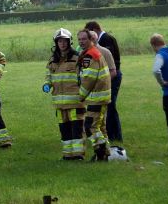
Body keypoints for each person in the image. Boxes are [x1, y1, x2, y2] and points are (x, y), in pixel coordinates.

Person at [43, 28, 85, 160]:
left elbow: (84, 77)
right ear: (56, 42)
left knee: (76, 129)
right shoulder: (52, 60)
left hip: (75, 101)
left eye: (65, 41)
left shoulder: (77, 58)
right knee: (64, 129)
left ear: (69, 42)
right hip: (59, 103)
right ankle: (67, 155)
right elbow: (49, 75)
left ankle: (78, 154)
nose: (62, 44)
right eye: (59, 41)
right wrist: (46, 84)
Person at [85, 21, 123, 142]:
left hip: (112, 78)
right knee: (102, 109)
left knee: (110, 106)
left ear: (95, 30)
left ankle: (115, 135)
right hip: (102, 81)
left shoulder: (107, 39)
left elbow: (113, 67)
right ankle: (104, 134)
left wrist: (103, 82)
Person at [77, 29, 111, 161]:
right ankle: (104, 154)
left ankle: (101, 152)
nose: (81, 42)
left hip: (95, 98)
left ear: (91, 39)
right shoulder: (93, 53)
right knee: (100, 127)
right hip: (102, 97)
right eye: (79, 39)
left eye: (84, 39)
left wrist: (80, 96)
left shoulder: (89, 56)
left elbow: (88, 79)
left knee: (90, 126)